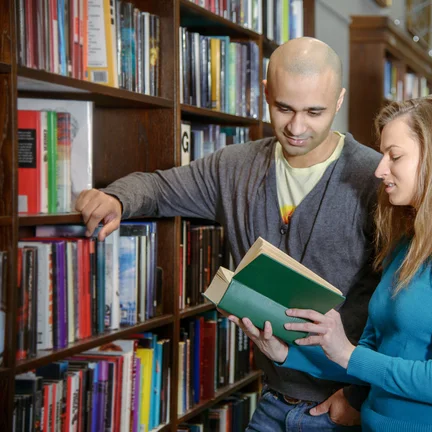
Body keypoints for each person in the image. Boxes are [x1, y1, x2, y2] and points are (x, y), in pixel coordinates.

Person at [75, 37, 382, 430]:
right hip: (272, 400)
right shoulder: (234, 167)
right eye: (283, 108)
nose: (296, 127)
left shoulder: (375, 179)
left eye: (315, 112)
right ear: (266, 93)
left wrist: (361, 398)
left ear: (338, 102)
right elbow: (158, 188)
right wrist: (116, 199)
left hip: (344, 408)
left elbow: (401, 309)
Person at [229, 95, 432, 432]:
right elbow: (369, 360)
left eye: (395, 156)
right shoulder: (407, 244)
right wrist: (285, 353)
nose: (379, 168)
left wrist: (348, 353)